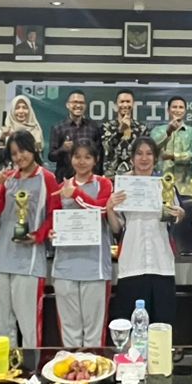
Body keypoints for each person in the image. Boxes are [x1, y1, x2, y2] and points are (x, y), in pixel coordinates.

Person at [0, 131, 59, 348]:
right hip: (0, 260)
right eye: (14, 153)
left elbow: (55, 214)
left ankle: (30, 367)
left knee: (28, 327)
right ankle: (3, 367)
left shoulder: (47, 178)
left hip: (29, 263)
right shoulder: (7, 178)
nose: (19, 157)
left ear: (33, 149)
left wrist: (38, 235)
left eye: (23, 150)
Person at [110, 137, 189, 326]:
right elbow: (116, 228)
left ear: (155, 158)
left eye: (149, 154)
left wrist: (180, 214)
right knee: (132, 325)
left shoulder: (165, 185)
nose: (144, 158)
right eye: (139, 154)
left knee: (162, 324)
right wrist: (110, 208)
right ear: (132, 158)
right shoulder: (122, 187)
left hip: (161, 263)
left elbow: (175, 218)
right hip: (132, 263)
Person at [48, 142, 115, 347]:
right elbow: (53, 218)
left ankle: (93, 366)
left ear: (95, 160)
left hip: (94, 268)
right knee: (70, 330)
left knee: (94, 332)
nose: (82, 161)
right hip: (65, 268)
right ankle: (72, 366)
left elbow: (101, 210)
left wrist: (76, 194)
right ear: (71, 159)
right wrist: (51, 232)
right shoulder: (61, 187)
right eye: (77, 156)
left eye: (87, 157)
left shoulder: (104, 184)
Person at [151, 95, 192, 187]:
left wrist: (173, 156)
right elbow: (152, 148)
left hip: (185, 184)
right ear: (168, 110)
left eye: (181, 107)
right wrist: (168, 132)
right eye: (174, 107)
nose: (177, 110)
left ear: (185, 111)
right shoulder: (157, 130)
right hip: (160, 183)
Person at [49, 89, 101, 180]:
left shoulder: (93, 127)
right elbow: (51, 156)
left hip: (89, 179)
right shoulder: (58, 127)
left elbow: (99, 155)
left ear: (85, 106)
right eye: (75, 102)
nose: (78, 105)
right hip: (65, 179)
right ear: (67, 105)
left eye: (81, 103)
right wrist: (63, 149)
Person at [101, 88, 149, 177]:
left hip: (135, 176)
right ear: (116, 105)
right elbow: (106, 147)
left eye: (128, 102)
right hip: (111, 176)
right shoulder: (107, 126)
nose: (125, 105)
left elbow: (145, 153)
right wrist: (120, 131)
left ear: (133, 104)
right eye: (122, 102)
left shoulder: (141, 129)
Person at [0, 95, 43, 169]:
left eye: (24, 108)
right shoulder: (6, 129)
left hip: (32, 171)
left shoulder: (36, 129)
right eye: (17, 108)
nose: (21, 111)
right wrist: (1, 139)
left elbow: (39, 156)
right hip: (10, 171)